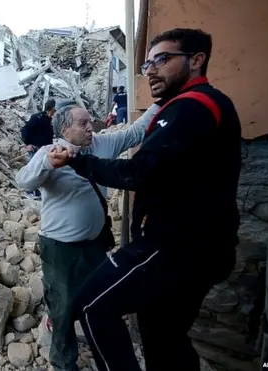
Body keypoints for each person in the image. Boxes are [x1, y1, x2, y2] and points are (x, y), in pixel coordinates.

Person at [50, 28, 240, 371]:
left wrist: (79, 161)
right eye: (147, 63)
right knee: (163, 335)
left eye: (162, 60)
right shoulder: (191, 107)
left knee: (92, 307)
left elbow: (137, 172)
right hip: (197, 245)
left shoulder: (192, 108)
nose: (150, 69)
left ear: (196, 60)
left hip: (174, 246)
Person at [15, 100, 158, 371]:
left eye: (90, 121)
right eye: (83, 123)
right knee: (64, 307)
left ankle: (100, 349)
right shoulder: (50, 151)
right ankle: (63, 361)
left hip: (94, 244)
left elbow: (135, 132)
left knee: (99, 298)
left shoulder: (102, 144)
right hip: (60, 249)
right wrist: (47, 162)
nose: (90, 127)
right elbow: (23, 180)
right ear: (65, 130)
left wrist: (160, 103)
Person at [20, 99, 57, 200]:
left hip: (44, 150)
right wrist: (27, 144)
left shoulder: (49, 120)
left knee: (42, 171)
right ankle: (28, 191)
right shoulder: (37, 118)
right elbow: (24, 130)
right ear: (52, 109)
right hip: (35, 148)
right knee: (33, 170)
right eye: (55, 110)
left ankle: (36, 191)